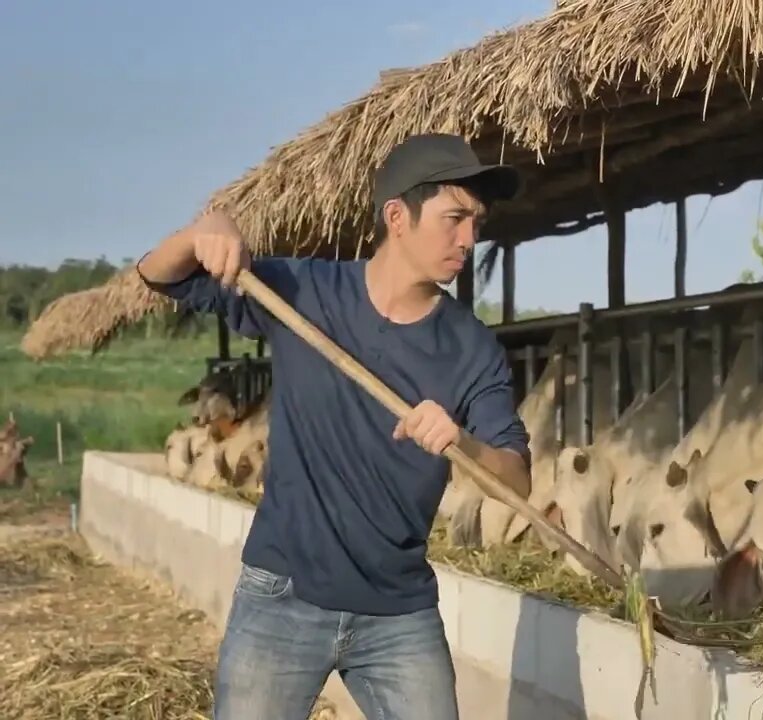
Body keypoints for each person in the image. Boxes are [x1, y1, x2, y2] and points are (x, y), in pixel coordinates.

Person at [135, 133, 533, 719]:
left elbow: (517, 482)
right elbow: (159, 274)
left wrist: (462, 442)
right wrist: (203, 232)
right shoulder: (305, 293)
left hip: (399, 613)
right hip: (281, 597)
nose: (469, 239)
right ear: (398, 217)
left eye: (475, 221)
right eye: (454, 219)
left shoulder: (471, 349)